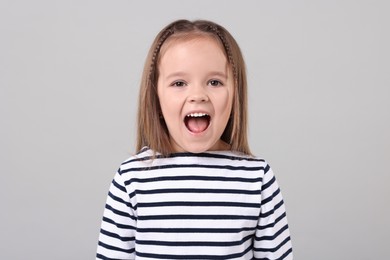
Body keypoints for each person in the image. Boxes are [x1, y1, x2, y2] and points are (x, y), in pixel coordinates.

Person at [96, 19, 293, 260]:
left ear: (235, 95)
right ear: (156, 97)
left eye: (214, 82)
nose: (198, 95)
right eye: (179, 83)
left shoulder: (257, 178)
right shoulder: (131, 178)